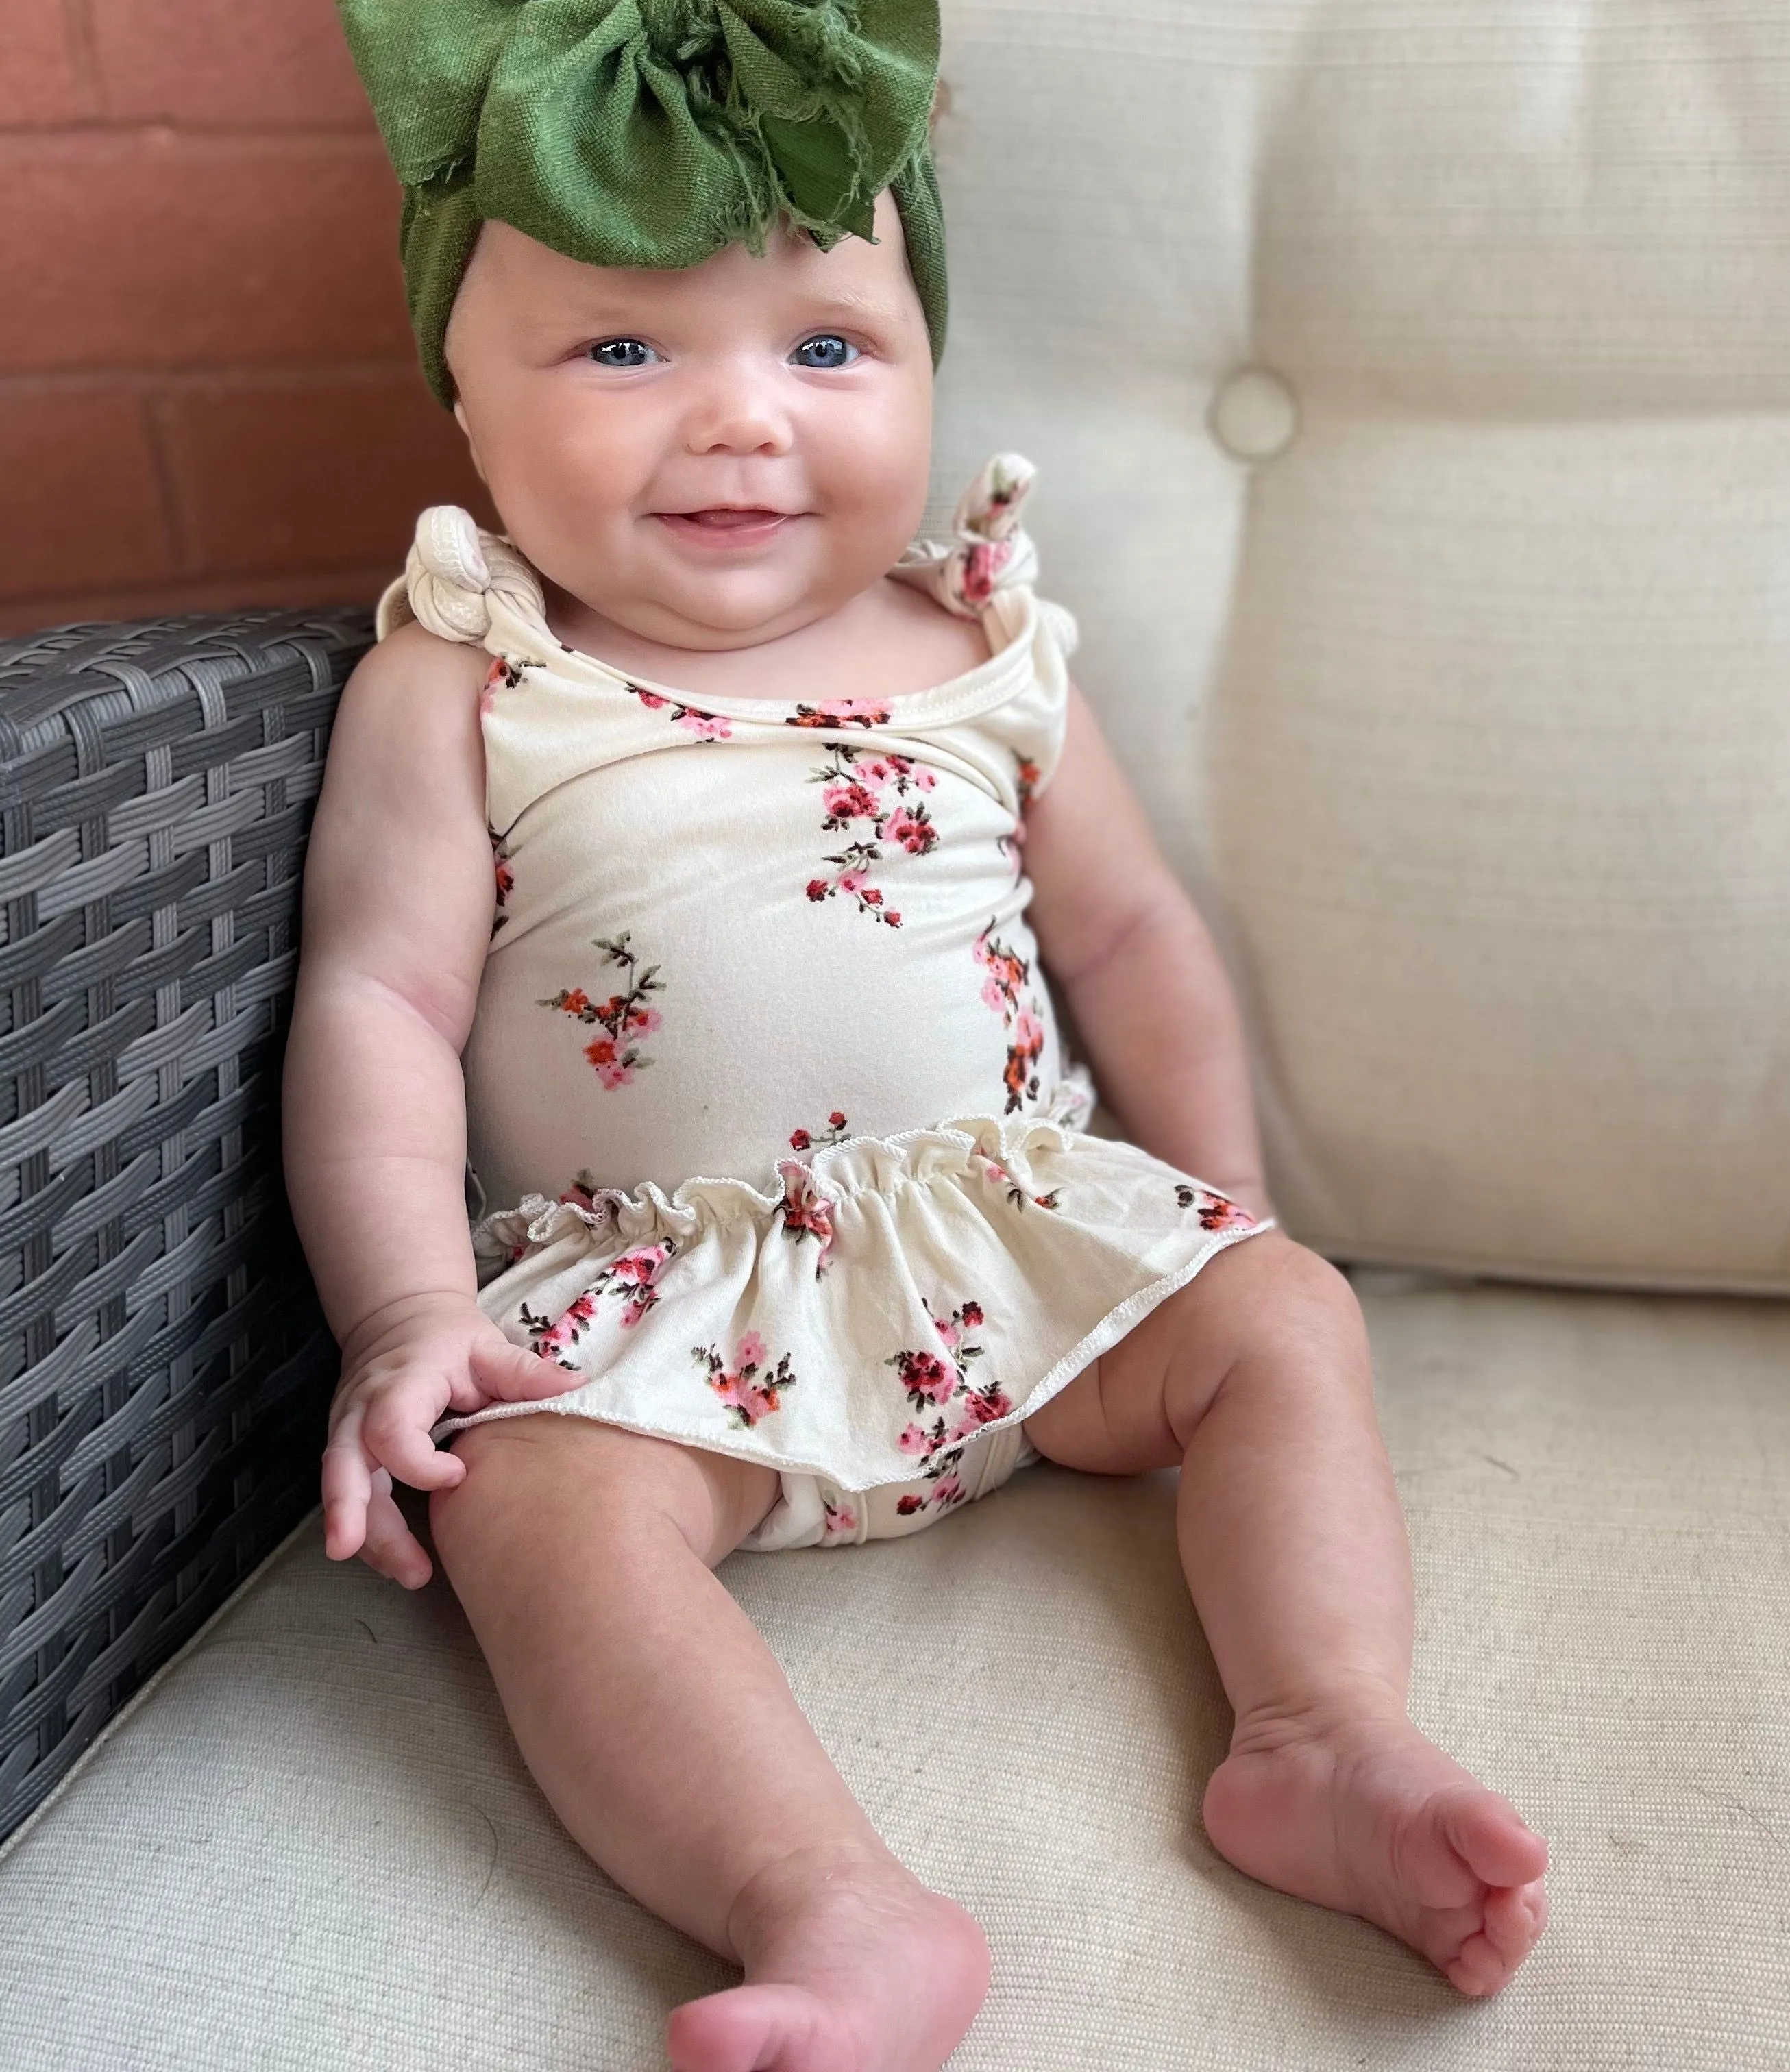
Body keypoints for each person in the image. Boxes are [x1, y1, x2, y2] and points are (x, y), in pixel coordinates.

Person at [286, 5, 1549, 2065]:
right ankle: (833, 1911)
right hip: (662, 1309)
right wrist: (407, 1309)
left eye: (824, 348)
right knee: (523, 1505)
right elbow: (380, 1000)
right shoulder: (469, 673)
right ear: (464, 390)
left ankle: (1322, 1732)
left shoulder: (987, 645)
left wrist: (1214, 1193)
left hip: (1017, 1253)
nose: (740, 422)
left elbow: (1131, 934)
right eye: (624, 350)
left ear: (926, 368)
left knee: (1286, 1317)